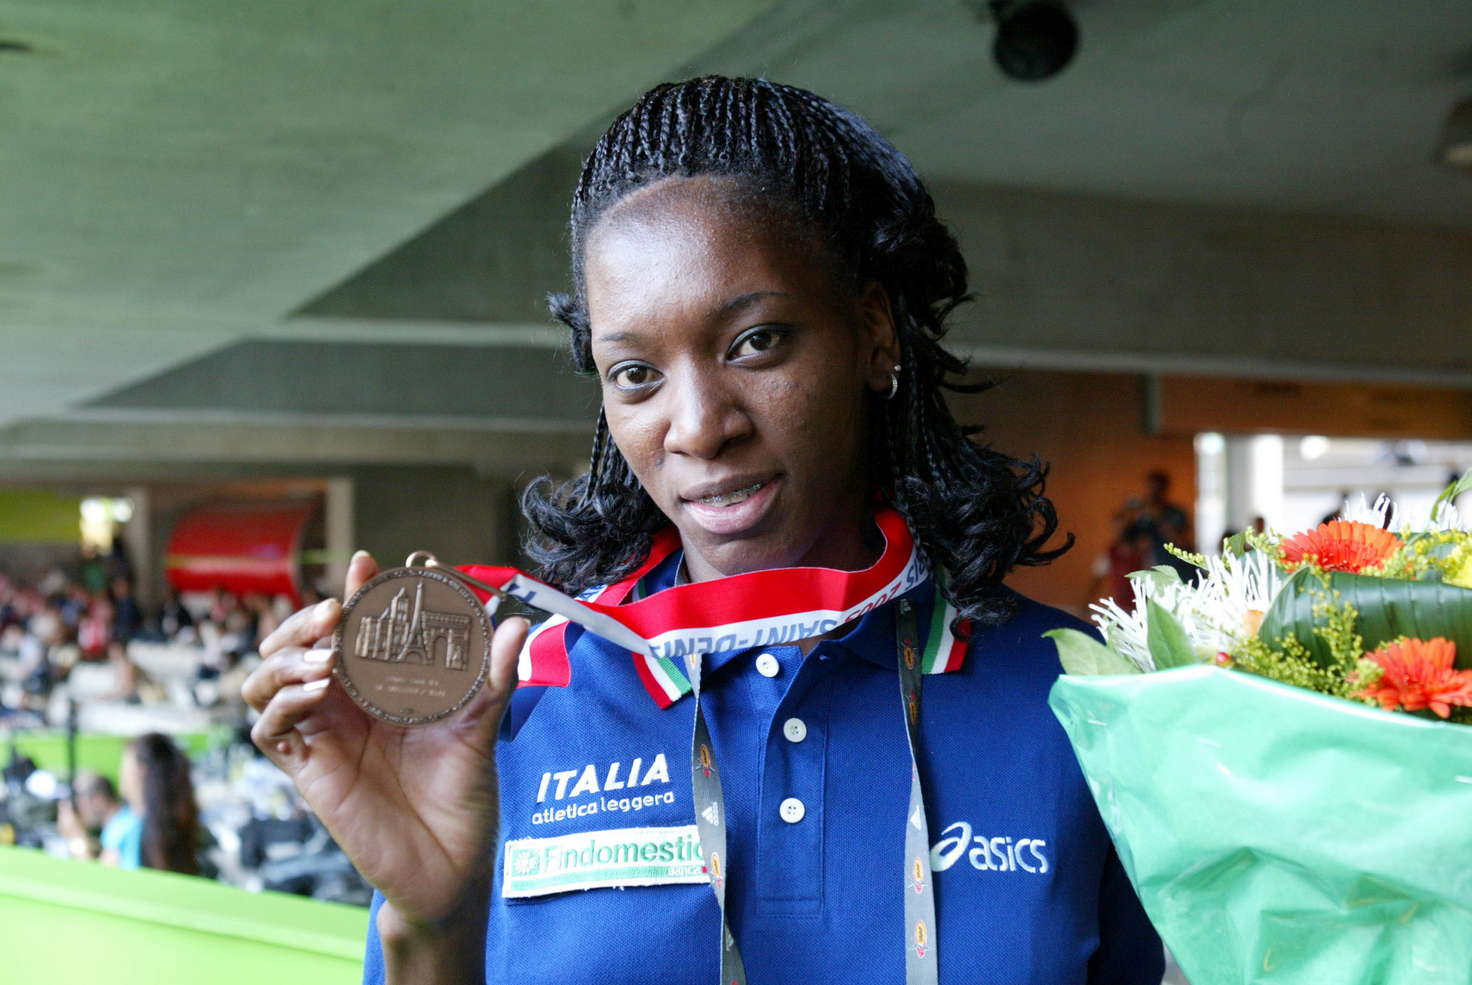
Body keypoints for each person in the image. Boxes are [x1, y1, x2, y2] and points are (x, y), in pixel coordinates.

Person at [244, 77, 1162, 985]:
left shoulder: (1082, 695)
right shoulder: (511, 711)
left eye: (756, 341)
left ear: (874, 332)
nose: (697, 426)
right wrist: (429, 923)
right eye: (636, 373)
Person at [118, 732, 200, 874]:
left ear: (140, 771)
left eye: (124, 766)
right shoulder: (179, 822)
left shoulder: (137, 830)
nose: (121, 772)